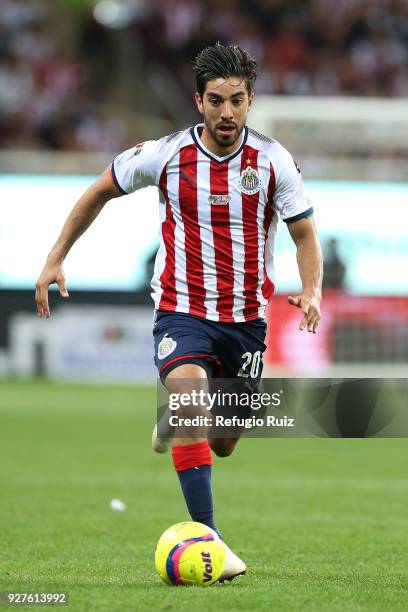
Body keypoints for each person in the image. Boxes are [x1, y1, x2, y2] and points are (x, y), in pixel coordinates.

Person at [35, 43, 323, 582]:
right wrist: (55, 259)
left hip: (246, 321)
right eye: (216, 101)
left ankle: (176, 418)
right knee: (193, 405)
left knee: (225, 442)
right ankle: (212, 545)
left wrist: (312, 290)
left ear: (250, 101)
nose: (227, 113)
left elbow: (304, 234)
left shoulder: (274, 161)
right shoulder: (164, 154)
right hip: (180, 309)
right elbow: (100, 189)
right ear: (199, 101)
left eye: (237, 101)